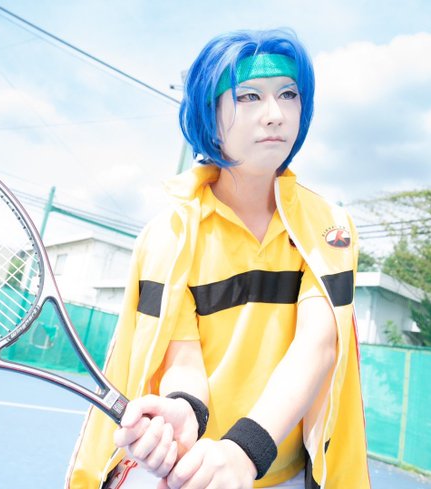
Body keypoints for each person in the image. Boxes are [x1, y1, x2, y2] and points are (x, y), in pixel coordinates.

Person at [66, 28, 370, 489]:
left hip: (282, 474)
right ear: (210, 116)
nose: (275, 114)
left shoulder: (330, 228)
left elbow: (318, 346)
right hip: (195, 473)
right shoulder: (168, 236)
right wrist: (185, 410)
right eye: (249, 96)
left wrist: (243, 452)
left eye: (288, 94)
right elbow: (183, 359)